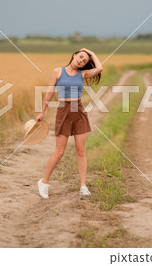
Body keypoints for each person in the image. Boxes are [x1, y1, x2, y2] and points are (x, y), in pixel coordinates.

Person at [35, 48, 103, 199]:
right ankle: (44, 182)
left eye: (84, 61)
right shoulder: (58, 71)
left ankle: (83, 186)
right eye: (80, 57)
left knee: (81, 151)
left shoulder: (83, 74)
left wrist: (90, 52)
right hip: (63, 110)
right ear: (74, 55)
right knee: (59, 152)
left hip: (78, 110)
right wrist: (42, 112)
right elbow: (50, 92)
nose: (81, 61)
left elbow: (100, 68)